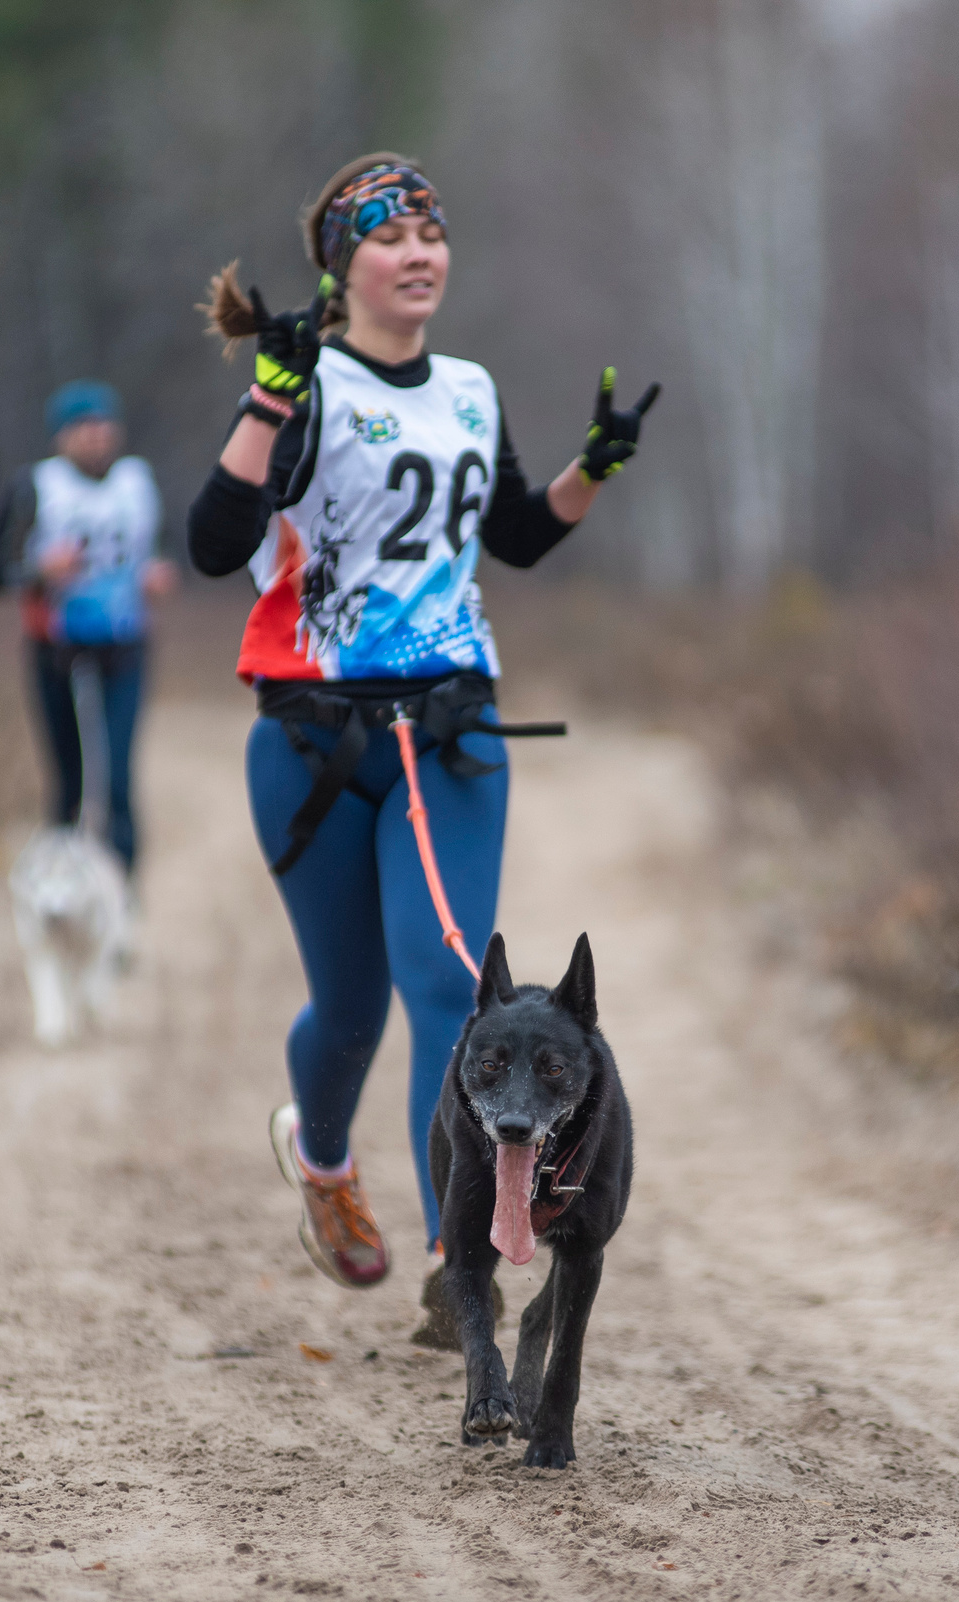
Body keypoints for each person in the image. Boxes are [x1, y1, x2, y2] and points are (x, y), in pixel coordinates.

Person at [184, 153, 657, 1296]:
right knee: (347, 1009)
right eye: (393, 238)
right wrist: (268, 398)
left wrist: (591, 470)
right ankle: (323, 1157)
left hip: (449, 734)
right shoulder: (309, 386)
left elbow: (518, 534)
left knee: (451, 991)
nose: (421, 255)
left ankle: (460, 1267)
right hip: (310, 738)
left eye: (433, 235)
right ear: (343, 266)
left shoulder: (471, 390)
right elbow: (210, 542)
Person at [0, 381, 178, 874]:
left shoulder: (138, 482)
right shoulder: (34, 487)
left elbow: (168, 549)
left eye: (103, 425)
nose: (95, 436)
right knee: (69, 780)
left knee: (116, 778)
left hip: (125, 647)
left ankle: (121, 897)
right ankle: (64, 887)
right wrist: (39, 571)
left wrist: (161, 572)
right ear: (60, 437)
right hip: (56, 652)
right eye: (82, 427)